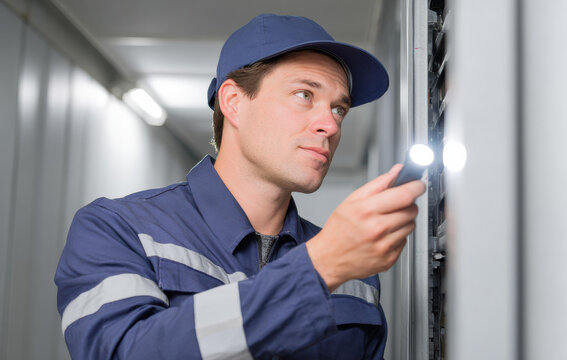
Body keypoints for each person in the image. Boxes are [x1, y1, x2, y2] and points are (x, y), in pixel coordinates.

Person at [55, 13, 426, 359]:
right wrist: (317, 269)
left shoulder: (356, 276)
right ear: (233, 102)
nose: (329, 125)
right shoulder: (119, 229)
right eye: (305, 95)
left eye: (338, 109)